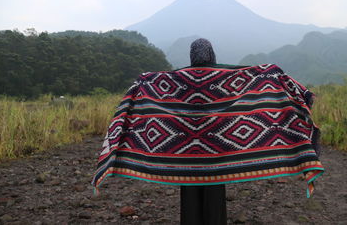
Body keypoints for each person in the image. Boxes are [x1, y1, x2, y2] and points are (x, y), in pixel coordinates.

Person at [92, 38, 324, 224]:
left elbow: (146, 84)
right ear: (212, 55)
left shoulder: (175, 81)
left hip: (185, 161)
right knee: (215, 202)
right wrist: (275, 77)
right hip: (218, 158)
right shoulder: (225, 80)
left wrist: (143, 83)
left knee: (189, 201)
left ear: (192, 56)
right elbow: (257, 80)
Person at [180, 38, 227, 225]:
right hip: (215, 152)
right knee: (215, 196)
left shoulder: (180, 80)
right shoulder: (221, 80)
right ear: (211, 54)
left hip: (187, 153)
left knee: (189, 196)